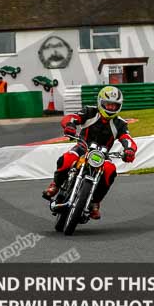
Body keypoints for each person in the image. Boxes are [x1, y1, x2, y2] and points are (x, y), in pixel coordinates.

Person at [42, 86, 137, 220]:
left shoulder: (120, 123)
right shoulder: (89, 111)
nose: (110, 108)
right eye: (107, 104)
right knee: (67, 159)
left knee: (110, 170)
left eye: (114, 105)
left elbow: (127, 139)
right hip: (82, 147)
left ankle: (95, 203)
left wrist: (130, 150)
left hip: (102, 155)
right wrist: (70, 125)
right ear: (100, 102)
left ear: (119, 107)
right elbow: (72, 117)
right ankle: (55, 185)